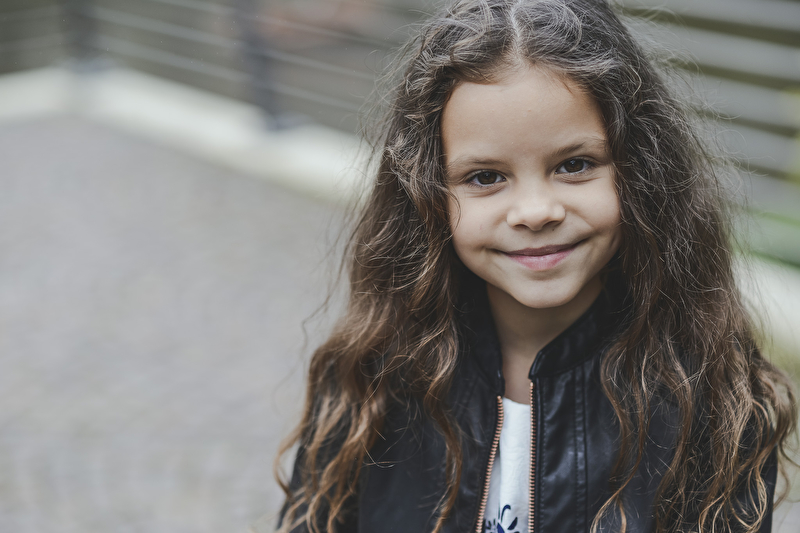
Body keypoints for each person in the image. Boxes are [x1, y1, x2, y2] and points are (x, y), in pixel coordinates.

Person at [275, 1, 797, 532]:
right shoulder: (373, 376)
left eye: (575, 165)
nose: (535, 211)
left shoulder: (710, 398)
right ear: (426, 196)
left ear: (642, 171)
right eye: (485, 177)